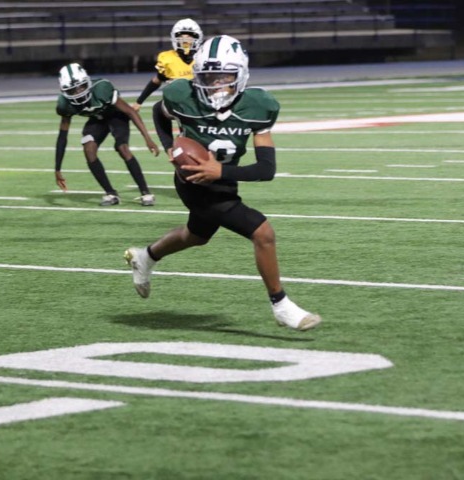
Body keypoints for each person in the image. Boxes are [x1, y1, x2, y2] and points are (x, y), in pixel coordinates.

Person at [124, 35, 322, 331]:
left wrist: (221, 172)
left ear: (240, 75)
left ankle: (146, 257)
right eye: (208, 76)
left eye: (224, 76)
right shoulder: (182, 95)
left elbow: (266, 169)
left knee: (196, 235)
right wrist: (170, 147)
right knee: (263, 233)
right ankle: (281, 305)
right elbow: (159, 112)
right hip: (192, 181)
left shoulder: (258, 105)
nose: (216, 84)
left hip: (223, 180)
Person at [55, 63, 159, 206]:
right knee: (89, 149)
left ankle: (145, 193)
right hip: (97, 119)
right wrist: (58, 168)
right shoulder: (64, 104)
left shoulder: (101, 88)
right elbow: (62, 136)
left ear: (87, 82)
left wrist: (148, 138)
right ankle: (111, 193)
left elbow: (130, 111)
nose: (78, 92)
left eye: (81, 86)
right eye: (72, 90)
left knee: (122, 148)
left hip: (116, 115)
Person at [131, 18, 203, 112]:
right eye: (181, 36)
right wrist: (139, 102)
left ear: (197, 38)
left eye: (189, 36)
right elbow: (156, 81)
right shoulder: (168, 58)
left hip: (200, 102)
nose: (185, 40)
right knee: (158, 109)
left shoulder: (203, 57)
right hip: (178, 103)